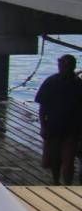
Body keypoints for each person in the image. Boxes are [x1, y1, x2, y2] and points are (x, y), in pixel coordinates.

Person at [35, 54, 82, 184]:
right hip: (53, 127)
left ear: (72, 67)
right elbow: (42, 107)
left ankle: (67, 184)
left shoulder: (78, 84)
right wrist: (43, 127)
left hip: (72, 129)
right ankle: (56, 182)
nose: (63, 68)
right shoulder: (51, 82)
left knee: (69, 159)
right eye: (62, 65)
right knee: (55, 159)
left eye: (66, 65)